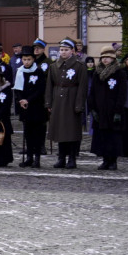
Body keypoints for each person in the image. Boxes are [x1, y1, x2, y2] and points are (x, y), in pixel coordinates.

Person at [46, 39, 88, 169]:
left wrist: (79, 104)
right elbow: (49, 86)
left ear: (72, 51)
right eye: (61, 50)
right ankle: (61, 157)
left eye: (66, 50)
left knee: (72, 131)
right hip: (58, 100)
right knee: (60, 131)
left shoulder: (79, 66)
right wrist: (49, 102)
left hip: (72, 100)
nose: (63, 52)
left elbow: (82, 87)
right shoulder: (54, 66)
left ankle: (72, 158)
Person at [88, 46, 126, 170]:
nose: (105, 60)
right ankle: (105, 159)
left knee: (113, 137)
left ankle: (113, 160)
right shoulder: (97, 73)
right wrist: (92, 108)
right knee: (102, 136)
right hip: (100, 110)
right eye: (103, 57)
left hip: (113, 110)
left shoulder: (119, 73)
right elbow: (92, 92)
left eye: (108, 57)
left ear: (113, 59)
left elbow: (122, 93)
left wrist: (118, 111)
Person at [14, 45, 48, 168]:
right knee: (27, 133)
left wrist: (28, 99)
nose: (26, 62)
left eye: (29, 59)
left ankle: (37, 158)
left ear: (33, 59)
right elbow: (17, 88)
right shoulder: (20, 71)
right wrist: (21, 100)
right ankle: (29, 157)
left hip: (36, 106)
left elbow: (40, 89)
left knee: (37, 133)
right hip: (25, 107)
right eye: (24, 59)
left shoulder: (38, 71)